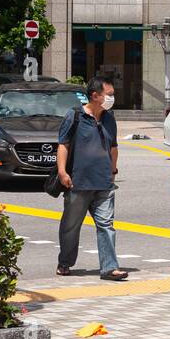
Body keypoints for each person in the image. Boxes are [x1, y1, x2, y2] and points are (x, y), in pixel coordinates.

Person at [55, 76, 125, 280]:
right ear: (95, 96)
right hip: (78, 182)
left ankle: (109, 268)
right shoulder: (74, 116)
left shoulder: (109, 118)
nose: (112, 98)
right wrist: (62, 172)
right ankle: (65, 262)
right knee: (71, 226)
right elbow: (63, 145)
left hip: (103, 183)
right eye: (109, 94)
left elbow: (113, 147)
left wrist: (113, 171)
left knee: (106, 225)